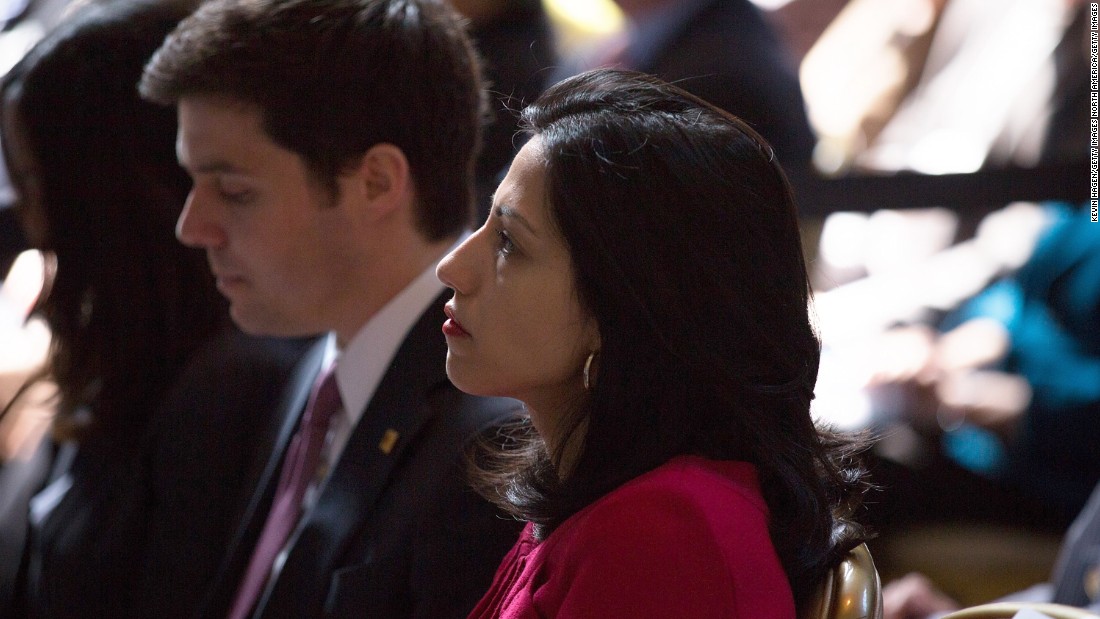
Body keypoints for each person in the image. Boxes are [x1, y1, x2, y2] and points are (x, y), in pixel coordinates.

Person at [436, 67, 872, 618]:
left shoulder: (662, 535)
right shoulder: (606, 487)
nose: (452, 267)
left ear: (620, 307)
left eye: (508, 243)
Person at [138, 0, 523, 616]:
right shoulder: (320, 358)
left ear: (375, 182)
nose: (192, 227)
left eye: (235, 191)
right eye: (193, 184)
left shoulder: (489, 454)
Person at [0, 0, 313, 615]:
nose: (25, 224)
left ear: (110, 195)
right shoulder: (129, 345)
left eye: (36, 184)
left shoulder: (227, 386)